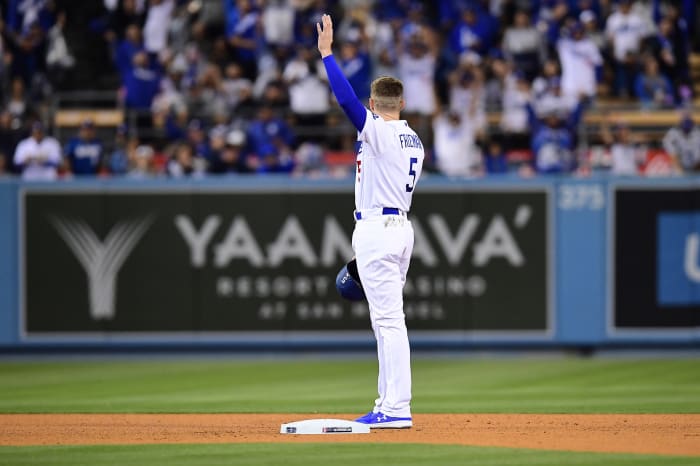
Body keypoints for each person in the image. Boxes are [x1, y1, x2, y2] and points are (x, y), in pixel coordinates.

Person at [317, 14, 423, 429]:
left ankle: (396, 408)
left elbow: (345, 102)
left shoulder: (378, 130)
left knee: (389, 321)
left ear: (374, 105)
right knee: (385, 319)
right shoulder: (413, 138)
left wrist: (327, 55)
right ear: (402, 103)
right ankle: (387, 402)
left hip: (379, 229)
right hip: (400, 229)